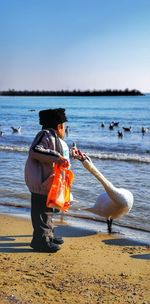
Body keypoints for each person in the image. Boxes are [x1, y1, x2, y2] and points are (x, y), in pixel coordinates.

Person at [25, 108, 70, 252]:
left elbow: (54, 154)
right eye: (64, 127)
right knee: (41, 212)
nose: (65, 130)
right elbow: (35, 150)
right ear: (59, 126)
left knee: (48, 210)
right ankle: (41, 241)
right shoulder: (44, 134)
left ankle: (48, 235)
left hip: (47, 182)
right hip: (40, 181)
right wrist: (57, 157)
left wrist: (71, 155)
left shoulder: (53, 137)